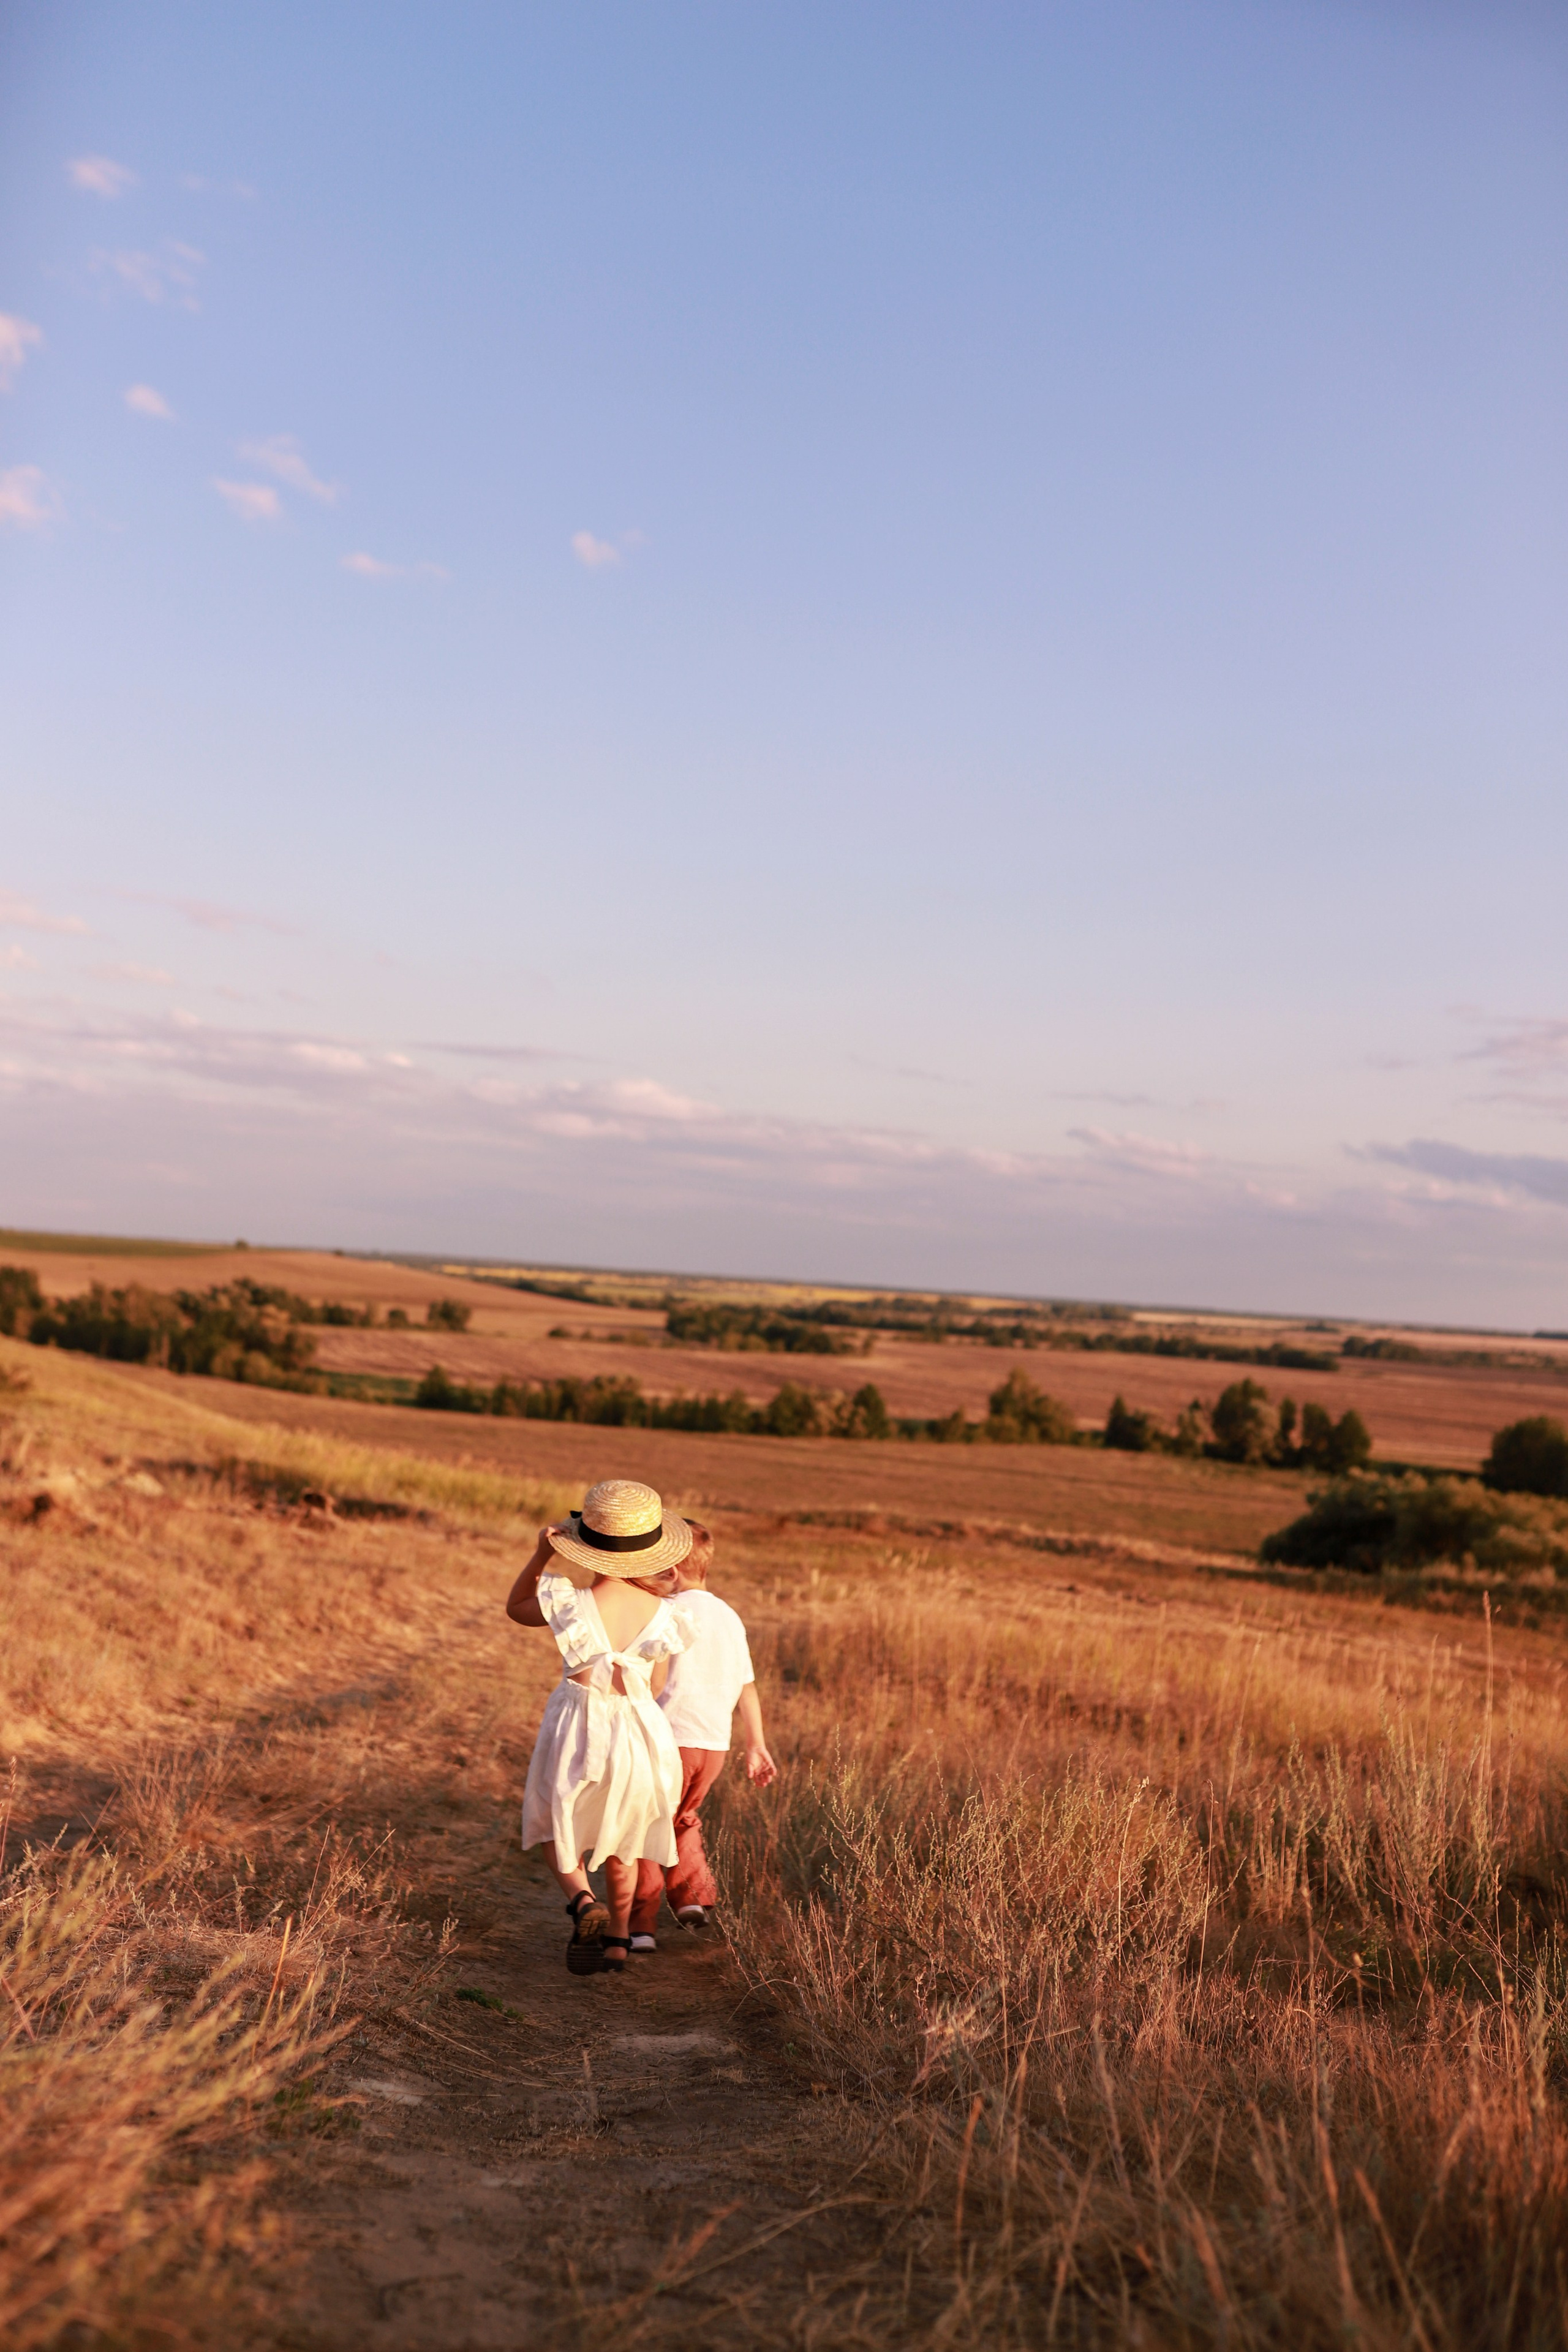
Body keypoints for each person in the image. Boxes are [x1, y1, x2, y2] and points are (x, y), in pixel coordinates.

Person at [506, 1478, 694, 1975]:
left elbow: (516, 1609)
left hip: (579, 1719)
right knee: (625, 1835)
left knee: (555, 1821)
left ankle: (583, 1903)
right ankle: (617, 1943)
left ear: (586, 1548)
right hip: (639, 1730)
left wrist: (539, 1558)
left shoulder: (571, 1602)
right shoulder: (666, 1615)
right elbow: (654, 1687)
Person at [628, 1520, 777, 1953]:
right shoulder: (729, 1616)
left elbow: (652, 1681)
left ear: (669, 1570)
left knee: (646, 1825)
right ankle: (693, 1899)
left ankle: (641, 1926)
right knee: (683, 1817)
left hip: (669, 1738)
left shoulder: (667, 1613)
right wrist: (756, 1744)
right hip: (714, 1745)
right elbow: (747, 1685)